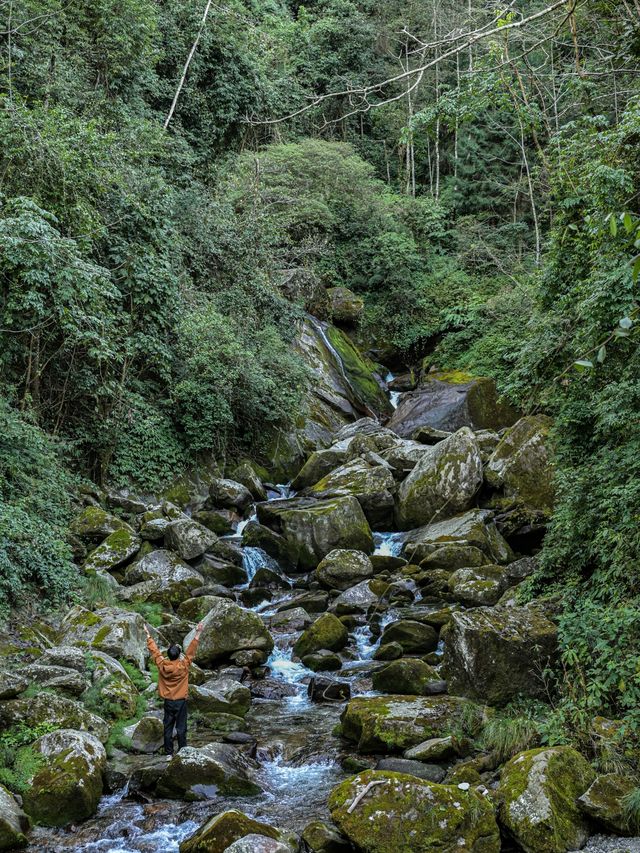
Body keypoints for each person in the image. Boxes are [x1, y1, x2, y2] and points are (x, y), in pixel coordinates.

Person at [144, 621, 204, 756]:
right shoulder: (183, 665)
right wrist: (198, 632)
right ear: (178, 655)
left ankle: (168, 753)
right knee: (181, 727)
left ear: (169, 655)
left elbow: (155, 652)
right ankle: (183, 751)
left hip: (168, 702)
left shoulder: (162, 664)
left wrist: (148, 635)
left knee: (168, 727)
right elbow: (191, 652)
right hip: (181, 702)